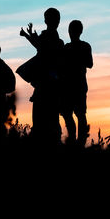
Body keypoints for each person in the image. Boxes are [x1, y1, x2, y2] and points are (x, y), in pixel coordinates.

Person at [19, 8, 64, 145]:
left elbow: (38, 45)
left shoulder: (50, 40)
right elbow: (38, 45)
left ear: (46, 20)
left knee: (41, 121)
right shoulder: (58, 42)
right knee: (51, 121)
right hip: (50, 86)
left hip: (45, 86)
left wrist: (27, 36)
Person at [60, 20, 93, 146]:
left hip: (76, 86)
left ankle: (79, 142)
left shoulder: (78, 47)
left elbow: (89, 64)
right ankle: (75, 141)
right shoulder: (69, 47)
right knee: (71, 114)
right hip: (71, 86)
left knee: (78, 114)